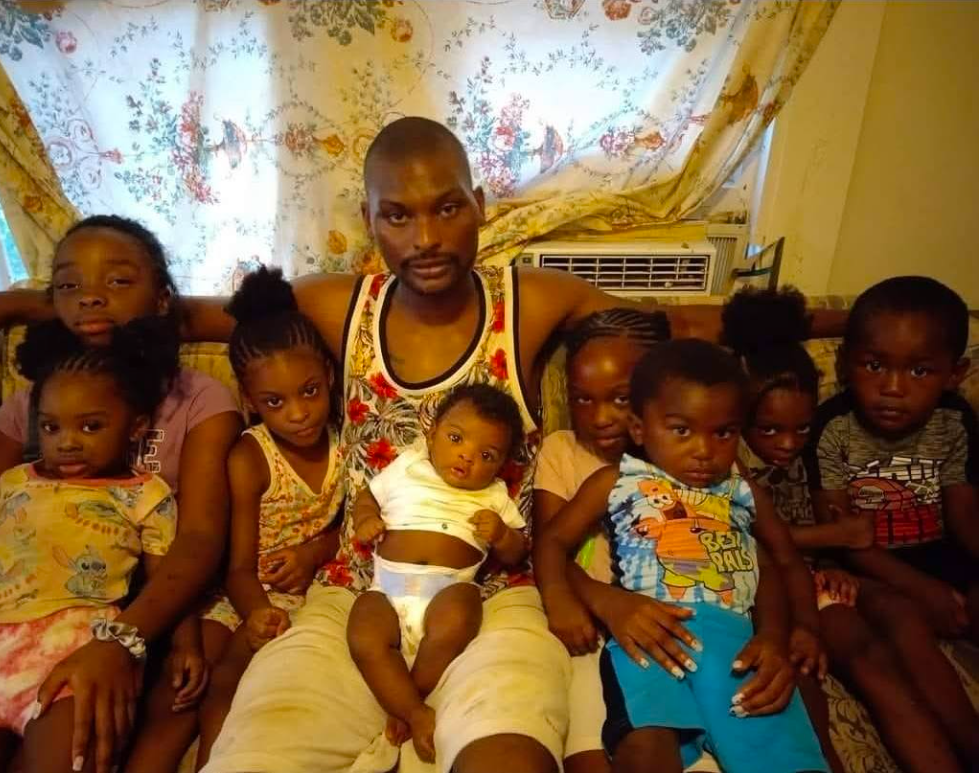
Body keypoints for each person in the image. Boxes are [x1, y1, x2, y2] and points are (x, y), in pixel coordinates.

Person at [0, 117, 845, 773]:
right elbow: (179, 310)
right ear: (370, 218)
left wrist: (843, 319)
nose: (426, 238)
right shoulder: (341, 303)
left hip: (497, 593)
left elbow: (680, 322)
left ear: (479, 206)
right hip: (354, 589)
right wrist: (18, 303)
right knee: (258, 752)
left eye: (447, 208)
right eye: (398, 215)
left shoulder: (529, 299)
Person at [0, 215, 242, 773]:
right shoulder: (29, 404)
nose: (90, 298)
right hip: (5, 623)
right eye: (69, 285)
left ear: (162, 298)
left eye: (118, 280)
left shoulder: (197, 397)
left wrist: (120, 641)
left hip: (140, 607)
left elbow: (200, 537)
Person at [535, 339, 829, 773]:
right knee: (645, 748)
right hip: (650, 636)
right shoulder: (617, 480)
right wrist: (559, 596)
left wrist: (788, 631)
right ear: (639, 428)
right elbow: (552, 540)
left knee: (784, 756)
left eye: (723, 432)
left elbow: (779, 561)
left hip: (736, 642)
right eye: (682, 431)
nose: (704, 451)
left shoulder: (741, 490)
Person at [724, 285, 975, 773]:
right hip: (771, 585)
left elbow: (830, 522)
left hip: (824, 577)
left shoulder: (817, 435)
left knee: (900, 615)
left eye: (800, 429)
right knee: (863, 658)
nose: (788, 443)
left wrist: (832, 558)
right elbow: (747, 534)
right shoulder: (731, 458)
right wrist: (832, 540)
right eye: (769, 430)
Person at [0, 317, 179, 773]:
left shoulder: (146, 494)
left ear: (136, 427)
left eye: (90, 427)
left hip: (75, 652)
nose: (67, 443)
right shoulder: (13, 481)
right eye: (51, 428)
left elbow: (166, 579)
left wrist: (184, 645)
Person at [805, 275, 979, 766]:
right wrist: (922, 589)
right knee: (903, 622)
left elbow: (964, 514)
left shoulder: (954, 420)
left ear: (954, 373)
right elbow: (844, 536)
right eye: (875, 366)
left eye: (919, 371)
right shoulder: (834, 427)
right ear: (846, 364)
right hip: (871, 568)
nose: (892, 389)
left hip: (942, 555)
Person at [192, 267, 345, 769]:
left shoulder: (347, 440)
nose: (298, 413)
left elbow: (356, 524)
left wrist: (316, 551)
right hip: (249, 596)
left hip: (320, 591)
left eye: (309, 391)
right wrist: (258, 612)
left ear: (328, 376)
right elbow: (238, 567)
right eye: (275, 402)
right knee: (215, 680)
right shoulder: (250, 457)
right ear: (250, 401)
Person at [349, 383, 527, 763]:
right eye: (456, 438)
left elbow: (517, 552)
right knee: (363, 634)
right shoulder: (409, 466)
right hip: (386, 590)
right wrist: (365, 519)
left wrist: (501, 535)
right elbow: (368, 496)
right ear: (431, 434)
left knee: (462, 610)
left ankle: (407, 697)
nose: (467, 456)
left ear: (501, 465)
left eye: (486, 455)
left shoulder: (495, 494)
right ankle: (415, 712)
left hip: (447, 592)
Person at [533, 308, 668, 773]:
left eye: (621, 398)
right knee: (588, 749)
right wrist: (600, 600)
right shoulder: (564, 451)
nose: (601, 417)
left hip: (668, 627)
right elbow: (549, 543)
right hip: (590, 626)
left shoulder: (688, 452)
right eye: (582, 399)